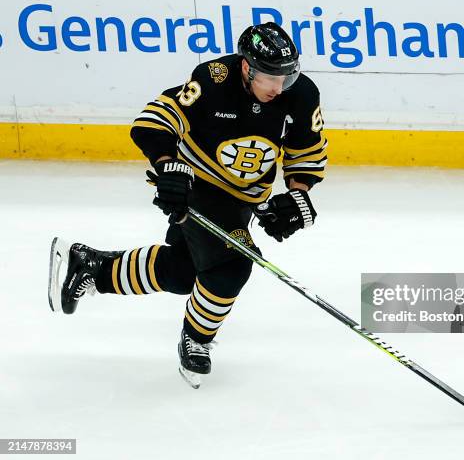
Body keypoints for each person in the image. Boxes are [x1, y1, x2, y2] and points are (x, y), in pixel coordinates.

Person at [47, 22, 327, 388]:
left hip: (243, 200)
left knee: (183, 273)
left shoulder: (301, 93)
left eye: (286, 78)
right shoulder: (213, 80)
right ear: (246, 67)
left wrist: (297, 194)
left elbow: (306, 151)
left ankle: (94, 266)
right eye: (269, 78)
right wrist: (168, 166)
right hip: (198, 189)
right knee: (232, 265)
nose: (278, 87)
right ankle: (197, 340)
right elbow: (156, 120)